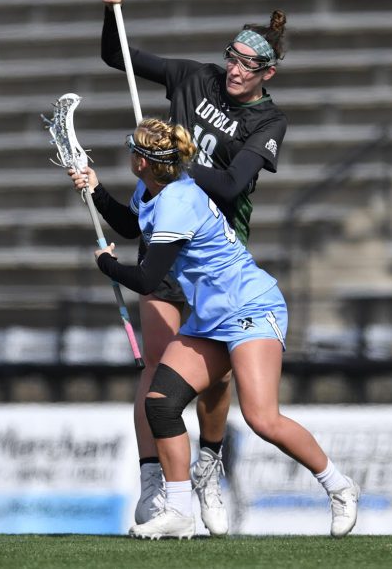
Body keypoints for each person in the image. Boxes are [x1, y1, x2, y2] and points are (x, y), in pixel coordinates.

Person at [70, 119, 360, 539]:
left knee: (263, 418)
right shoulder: (152, 190)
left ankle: (339, 486)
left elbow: (149, 280)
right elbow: (132, 226)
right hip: (210, 317)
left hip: (250, 307)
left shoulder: (177, 202)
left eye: (133, 149)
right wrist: (95, 189)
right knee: (162, 403)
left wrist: (106, 265)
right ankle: (179, 511)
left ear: (144, 162)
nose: (128, 153)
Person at [94, 0, 289, 535]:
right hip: (163, 247)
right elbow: (118, 55)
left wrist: (175, 165)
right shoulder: (193, 77)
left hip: (214, 261)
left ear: (267, 74)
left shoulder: (267, 121)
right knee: (157, 371)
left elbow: (229, 188)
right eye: (233, 57)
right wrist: (113, 8)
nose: (235, 70)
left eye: (249, 65)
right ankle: (156, 481)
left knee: (216, 383)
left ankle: (209, 462)